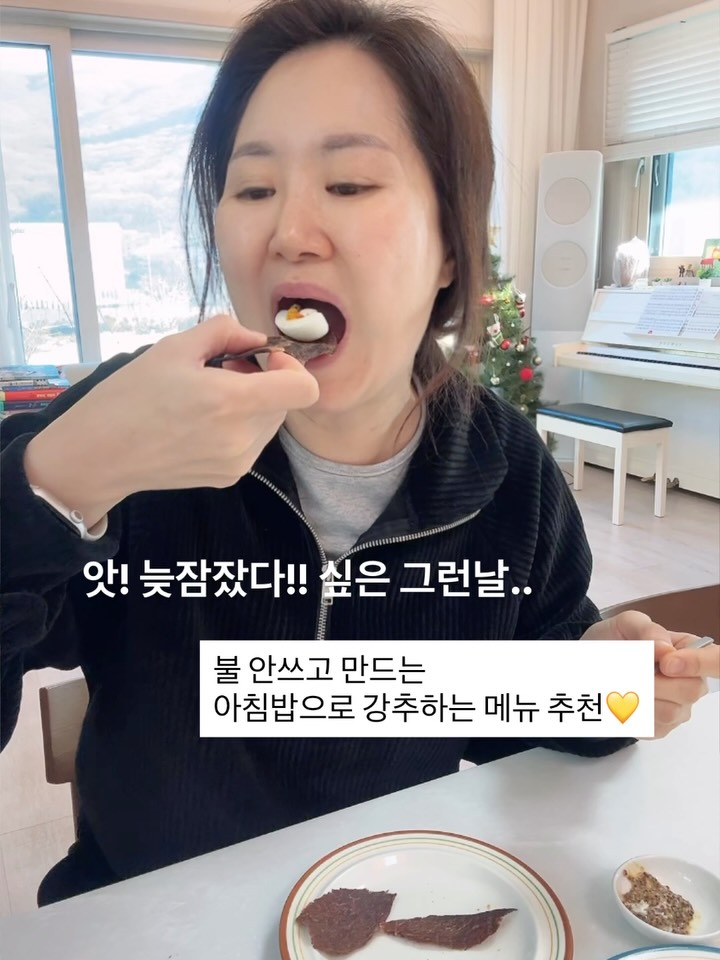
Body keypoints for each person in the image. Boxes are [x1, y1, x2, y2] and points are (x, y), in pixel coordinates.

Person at [0, 0, 716, 909]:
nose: (290, 231)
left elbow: (500, 718)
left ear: (451, 248)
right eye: (252, 190)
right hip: (150, 915)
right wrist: (60, 481)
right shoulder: (131, 424)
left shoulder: (506, 470)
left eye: (348, 184)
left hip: (384, 907)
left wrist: (601, 685)